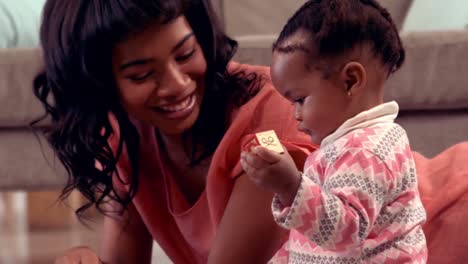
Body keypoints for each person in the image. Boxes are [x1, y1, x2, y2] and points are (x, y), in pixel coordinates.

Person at [33, 0, 316, 263]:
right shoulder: (125, 134)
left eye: (185, 54)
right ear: (98, 84)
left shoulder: (273, 119)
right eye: (141, 75)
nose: (177, 85)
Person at [240, 0, 428, 263]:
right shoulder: (348, 143)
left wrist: (290, 186)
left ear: (350, 80)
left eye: (300, 100)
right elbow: (309, 240)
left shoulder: (365, 150)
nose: (295, 114)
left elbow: (345, 231)